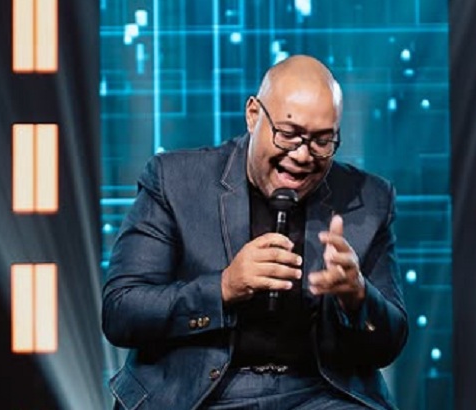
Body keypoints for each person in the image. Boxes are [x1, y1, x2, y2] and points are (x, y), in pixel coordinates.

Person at [102, 55, 408, 410]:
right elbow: (122, 312)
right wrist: (224, 287)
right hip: (199, 394)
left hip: (318, 395)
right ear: (253, 115)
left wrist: (358, 297)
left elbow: (390, 342)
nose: (302, 155)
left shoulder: (369, 199)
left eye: (322, 141)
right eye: (288, 134)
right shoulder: (174, 180)